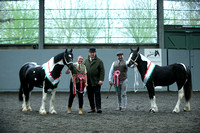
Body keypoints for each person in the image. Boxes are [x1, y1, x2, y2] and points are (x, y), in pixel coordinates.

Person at [84, 48, 105, 113]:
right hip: (88, 82)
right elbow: (83, 70)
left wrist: (101, 80)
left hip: (96, 81)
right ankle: (92, 108)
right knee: (90, 95)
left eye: (93, 52)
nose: (92, 54)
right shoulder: (86, 61)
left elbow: (102, 71)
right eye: (91, 52)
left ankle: (98, 108)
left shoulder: (99, 61)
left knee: (97, 95)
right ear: (89, 53)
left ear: (95, 53)